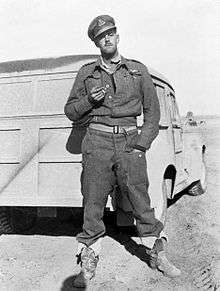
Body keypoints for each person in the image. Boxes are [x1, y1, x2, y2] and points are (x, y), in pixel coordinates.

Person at [64, 15, 181, 288]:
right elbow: (70, 111)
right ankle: (89, 262)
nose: (106, 38)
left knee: (141, 201)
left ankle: (157, 254)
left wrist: (142, 143)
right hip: (96, 143)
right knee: (92, 204)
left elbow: (153, 112)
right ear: (96, 42)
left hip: (130, 144)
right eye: (100, 36)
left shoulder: (138, 71)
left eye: (110, 33)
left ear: (117, 36)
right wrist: (88, 101)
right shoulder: (86, 74)